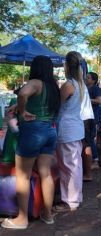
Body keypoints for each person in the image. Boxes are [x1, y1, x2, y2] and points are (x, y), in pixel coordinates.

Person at [1, 56, 60, 229]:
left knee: (23, 175)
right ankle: (48, 215)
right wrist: (20, 107)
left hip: (34, 131)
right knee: (46, 173)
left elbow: (23, 93)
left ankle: (22, 219)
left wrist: (22, 110)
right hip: (50, 130)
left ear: (35, 68)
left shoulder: (35, 82)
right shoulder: (53, 86)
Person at [54, 51, 85, 213]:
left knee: (68, 167)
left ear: (66, 66)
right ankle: (75, 197)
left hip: (67, 129)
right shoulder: (80, 84)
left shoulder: (68, 85)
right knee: (74, 166)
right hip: (75, 128)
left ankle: (70, 200)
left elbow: (57, 106)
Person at [86, 72, 101, 162]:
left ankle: (95, 158)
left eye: (88, 77)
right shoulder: (85, 88)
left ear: (93, 80)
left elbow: (99, 101)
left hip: (92, 116)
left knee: (90, 138)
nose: (86, 78)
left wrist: (86, 99)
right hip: (86, 116)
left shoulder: (95, 89)